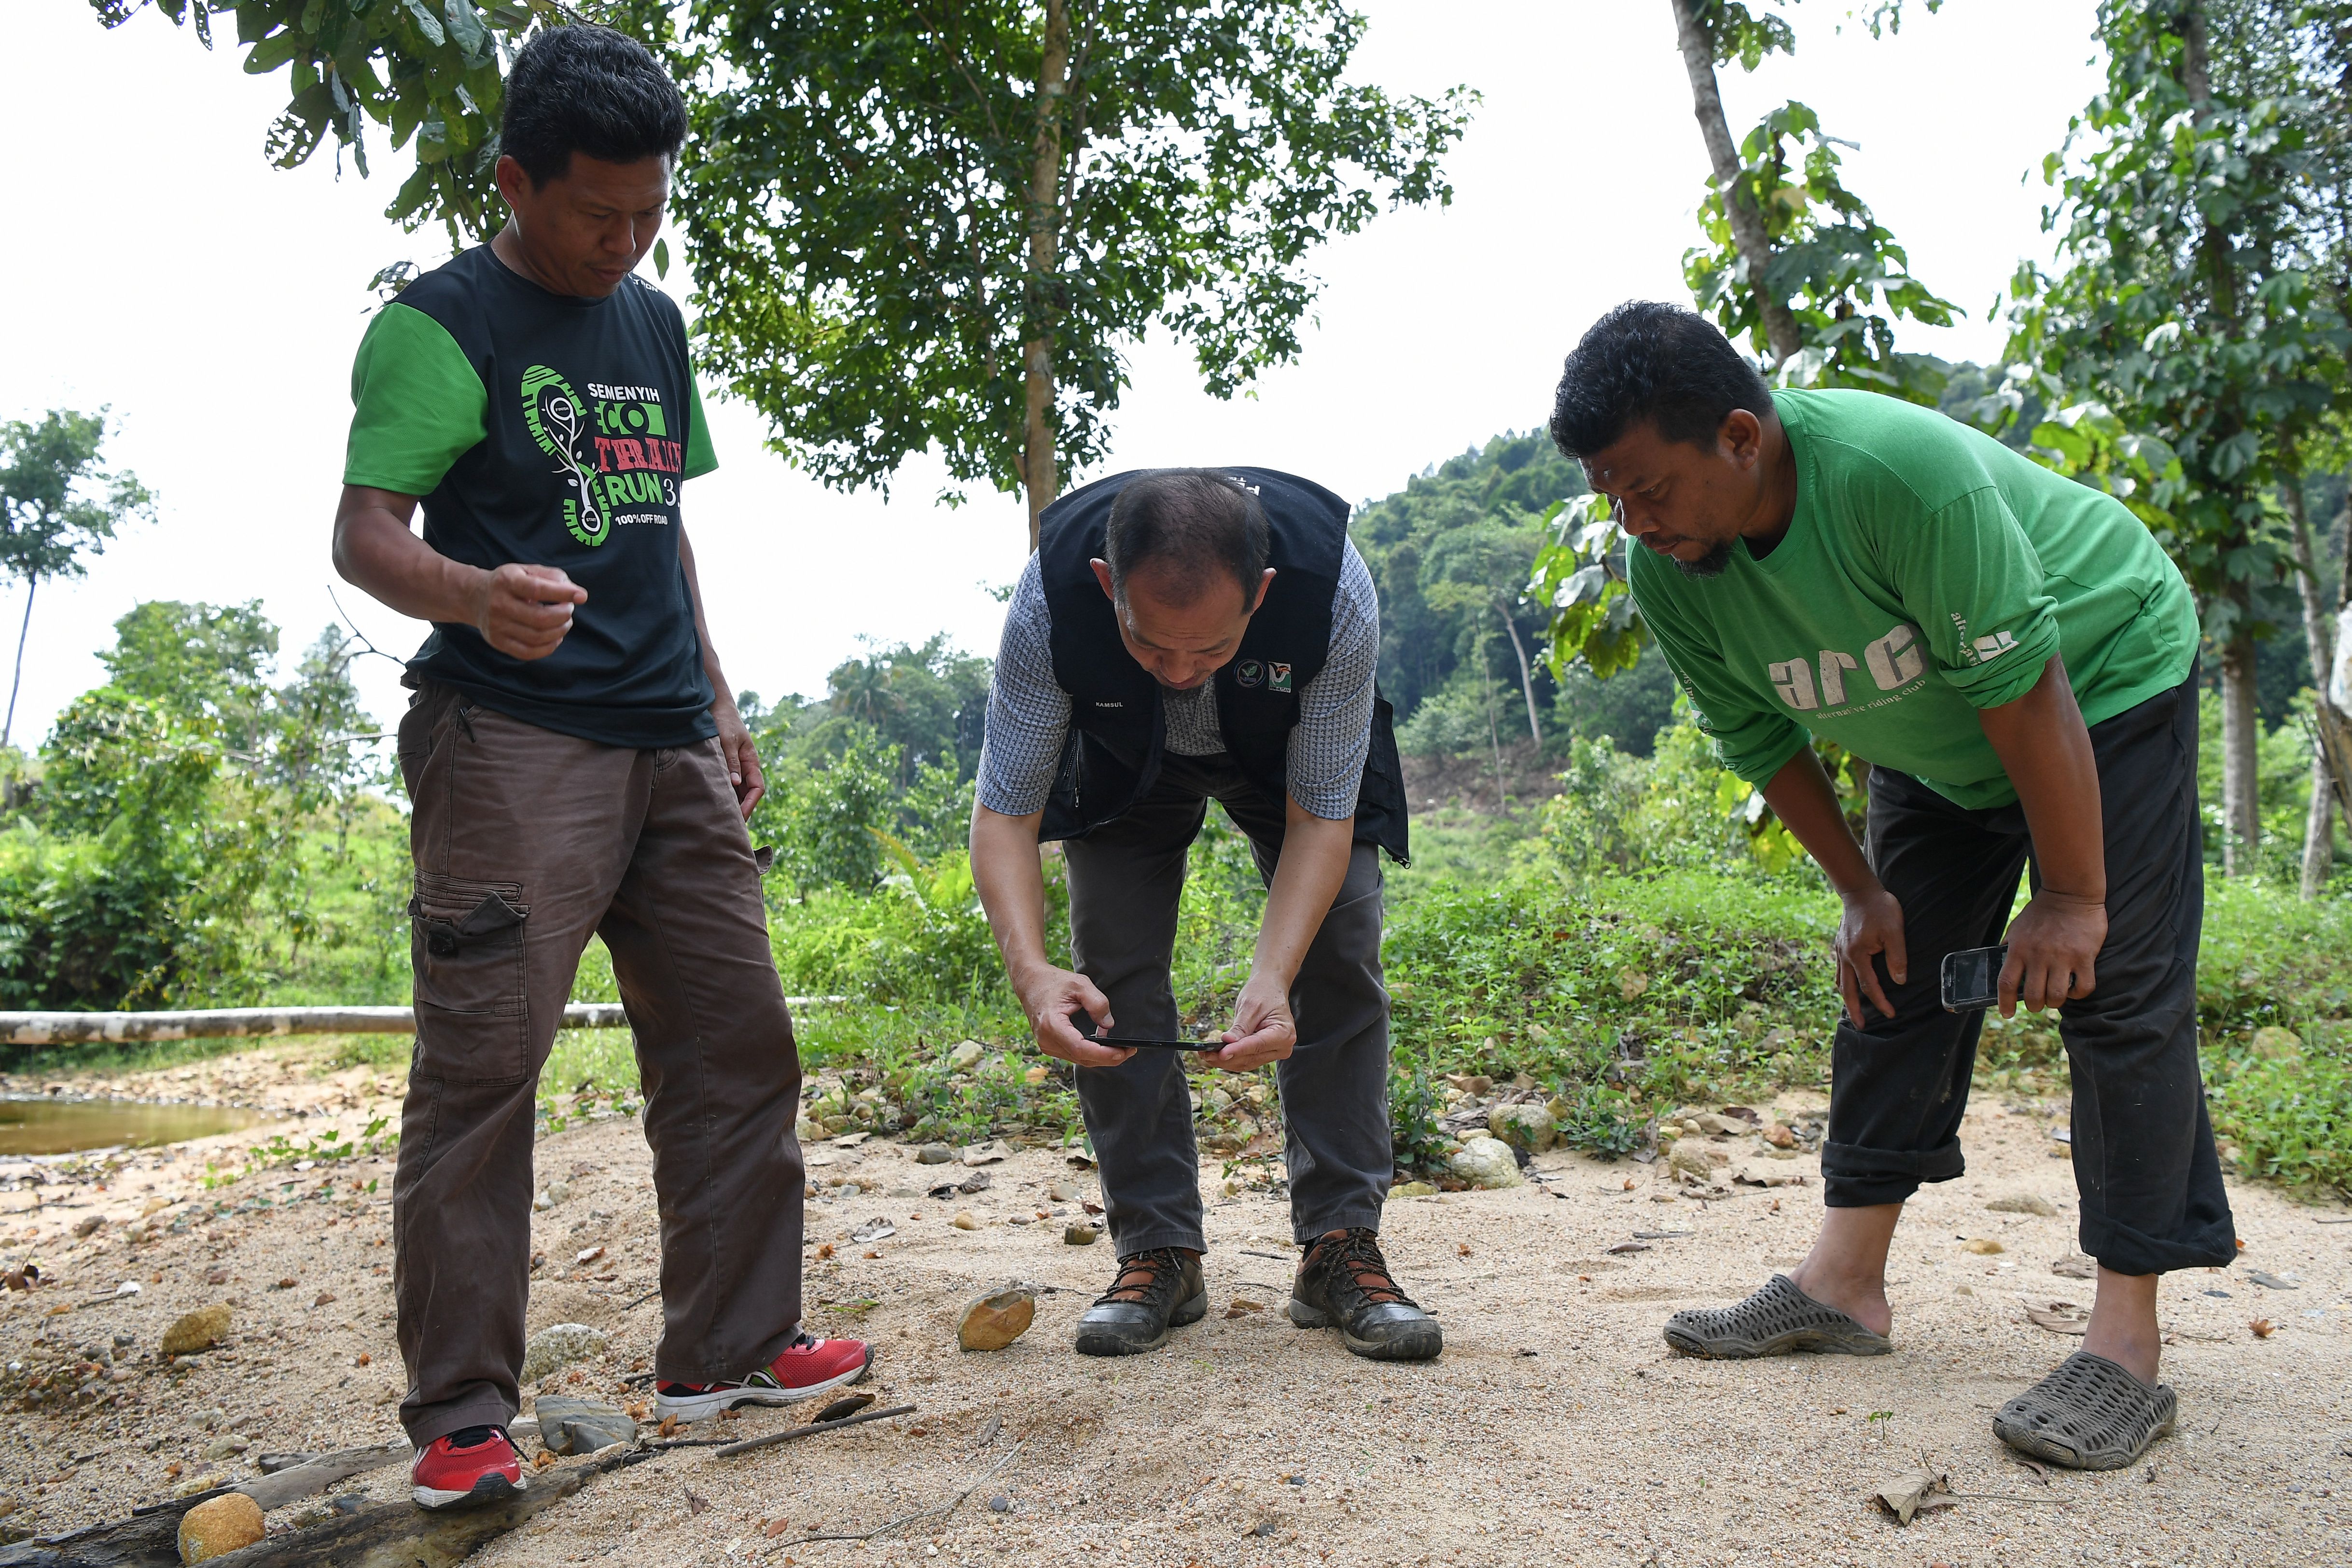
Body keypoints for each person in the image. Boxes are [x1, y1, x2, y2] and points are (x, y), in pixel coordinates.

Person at [1548, 302, 2235, 1471]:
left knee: (2113, 986)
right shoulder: (1662, 567)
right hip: (1933, 738)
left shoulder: (1898, 477)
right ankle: (1842, 1281)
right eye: (1612, 494)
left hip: (2100, 675)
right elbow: (1759, 736)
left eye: (1648, 487)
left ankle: (2125, 1345)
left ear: (1738, 438)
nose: (1633, 518)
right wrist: (1861, 889)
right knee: (1889, 974)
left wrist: (2071, 900)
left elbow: (2026, 694)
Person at [333, 26, 869, 1512]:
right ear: (516, 181)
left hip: (668, 740)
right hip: (509, 747)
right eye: (594, 213)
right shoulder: (441, 326)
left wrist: (716, 688)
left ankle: (731, 1348)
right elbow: (364, 530)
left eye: (649, 212)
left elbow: (658, 521)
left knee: (736, 1048)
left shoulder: (653, 321)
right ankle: (460, 1419)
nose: (625, 240)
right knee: (484, 1076)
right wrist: (469, 591)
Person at [969, 467, 1441, 1362]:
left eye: (1211, 649)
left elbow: (1320, 818)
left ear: (1260, 595)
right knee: (1107, 970)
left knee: (1335, 948)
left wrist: (1272, 977)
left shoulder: (1333, 589)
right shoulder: (1052, 598)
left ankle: (1339, 1244)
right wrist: (1031, 974)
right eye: (1152, 646)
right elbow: (1005, 814)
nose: (1181, 673)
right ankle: (1159, 1248)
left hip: (1289, 757)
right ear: (1109, 585)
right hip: (1122, 758)